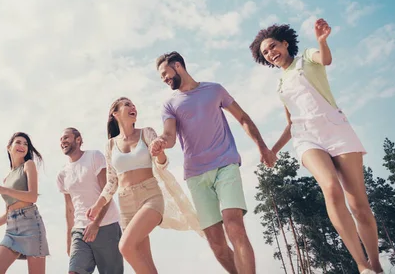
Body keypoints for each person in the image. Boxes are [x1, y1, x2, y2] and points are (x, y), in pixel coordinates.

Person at [249, 18, 383, 274]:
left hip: (336, 129)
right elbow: (291, 124)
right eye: (265, 53)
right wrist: (272, 150)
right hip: (307, 137)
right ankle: (361, 264)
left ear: (286, 44)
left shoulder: (308, 57)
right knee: (331, 189)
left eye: (273, 46)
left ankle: (376, 266)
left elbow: (326, 59)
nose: (270, 53)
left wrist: (322, 42)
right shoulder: (280, 85)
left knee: (359, 206)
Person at [151, 51, 277, 274]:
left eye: (165, 73)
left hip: (225, 164)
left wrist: (262, 147)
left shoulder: (214, 89)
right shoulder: (170, 104)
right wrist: (161, 140)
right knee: (217, 245)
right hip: (196, 175)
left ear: (178, 65)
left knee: (234, 226)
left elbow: (243, 118)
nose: (164, 79)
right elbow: (169, 135)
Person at [87, 97, 202, 274]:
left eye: (134, 105)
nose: (133, 107)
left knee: (125, 247)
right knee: (145, 262)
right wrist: (98, 204)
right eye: (127, 105)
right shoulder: (110, 145)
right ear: (115, 113)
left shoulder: (146, 133)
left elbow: (161, 163)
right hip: (126, 204)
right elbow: (112, 182)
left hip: (150, 197)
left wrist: (160, 152)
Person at [0, 132, 49, 274]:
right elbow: (7, 214)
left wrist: (3, 190)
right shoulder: (6, 178)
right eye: (18, 142)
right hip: (12, 229)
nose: (22, 146)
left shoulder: (28, 165)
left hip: (31, 225)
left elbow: (33, 197)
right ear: (9, 147)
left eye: (25, 144)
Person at [57, 127, 124, 274]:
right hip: (79, 230)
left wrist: (96, 223)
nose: (63, 141)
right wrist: (69, 239)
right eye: (61, 139)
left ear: (78, 139)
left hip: (107, 226)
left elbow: (107, 191)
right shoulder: (62, 174)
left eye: (66, 138)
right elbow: (69, 209)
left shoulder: (94, 156)